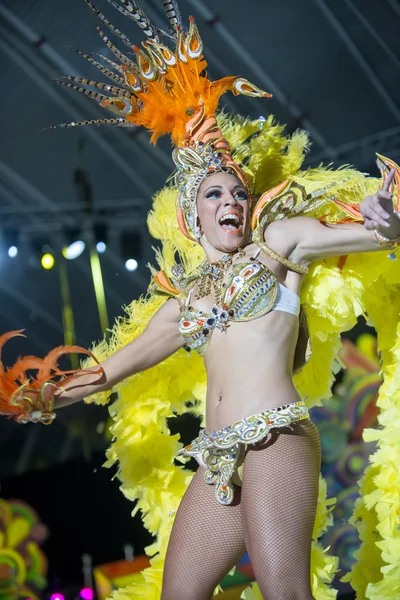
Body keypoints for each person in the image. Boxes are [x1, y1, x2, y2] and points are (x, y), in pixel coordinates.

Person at [1, 2, 399, 599]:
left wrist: (387, 223)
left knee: (284, 591)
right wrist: (45, 394)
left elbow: (366, 235)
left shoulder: (278, 243)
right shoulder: (182, 303)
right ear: (193, 214)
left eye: (238, 191)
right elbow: (109, 370)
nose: (231, 200)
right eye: (215, 193)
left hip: (275, 441)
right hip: (217, 460)